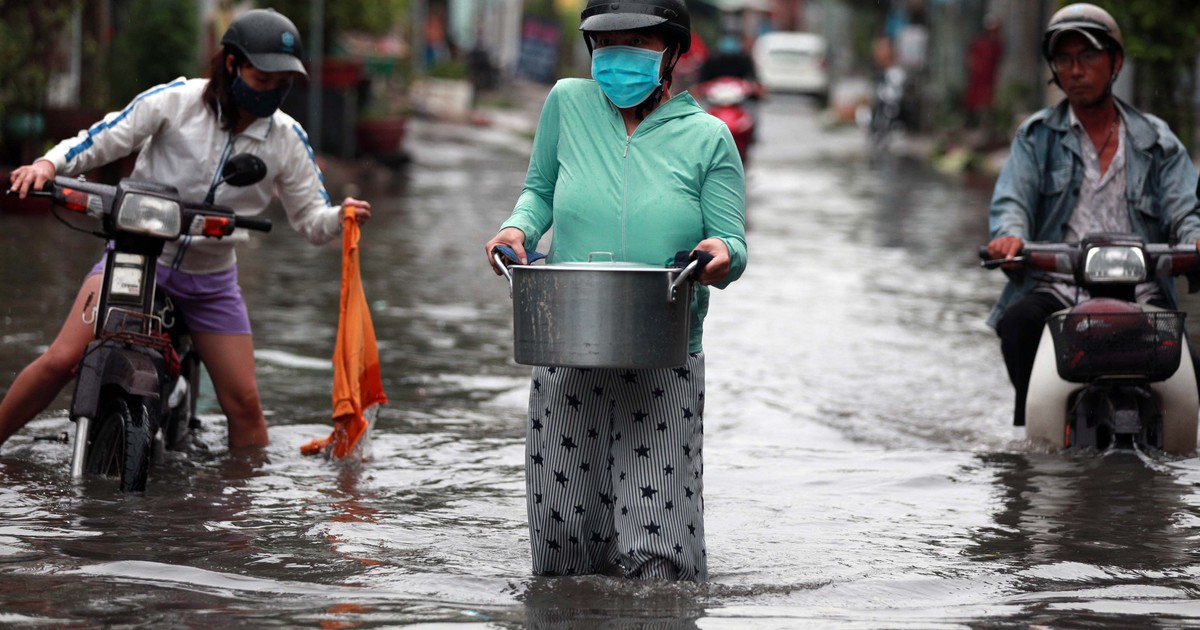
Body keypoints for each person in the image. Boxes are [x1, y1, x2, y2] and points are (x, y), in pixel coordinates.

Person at [2, 8, 372, 450]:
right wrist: (48, 164)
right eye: (262, 80)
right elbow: (102, 138)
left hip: (211, 279)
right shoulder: (176, 101)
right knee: (61, 360)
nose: (272, 93)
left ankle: (241, 508)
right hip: (135, 257)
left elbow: (311, 218)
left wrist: (341, 216)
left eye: (282, 84)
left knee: (244, 403)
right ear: (232, 64)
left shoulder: (287, 138)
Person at [483, 0, 747, 582]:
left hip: (664, 352)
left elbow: (731, 243)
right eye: (606, 44)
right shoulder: (566, 104)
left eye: (637, 43)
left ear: (673, 53)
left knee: (657, 559)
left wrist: (719, 256)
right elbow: (539, 191)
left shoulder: (710, 138)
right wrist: (516, 228)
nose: (618, 57)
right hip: (569, 343)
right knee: (563, 545)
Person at [984, 3, 1200, 426]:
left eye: (1087, 56)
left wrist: (1196, 237)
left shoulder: (1157, 141)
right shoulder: (1036, 137)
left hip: (1143, 292)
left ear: (1115, 62)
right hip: (1059, 288)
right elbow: (1013, 200)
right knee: (1017, 324)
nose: (1075, 69)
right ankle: (1034, 431)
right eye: (1064, 59)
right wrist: (1009, 236)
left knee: (1189, 375)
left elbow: (1185, 207)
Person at [964, 14, 1004, 128]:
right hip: (978, 80)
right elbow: (971, 57)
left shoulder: (997, 45)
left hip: (989, 81)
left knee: (988, 104)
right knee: (975, 103)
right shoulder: (979, 44)